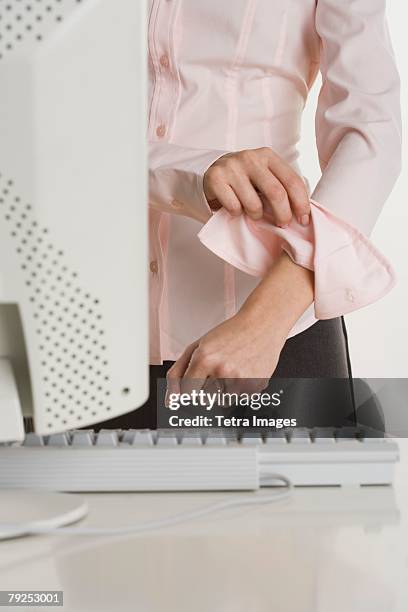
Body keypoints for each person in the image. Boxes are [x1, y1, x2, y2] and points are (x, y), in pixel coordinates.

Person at [98, 0, 401, 431]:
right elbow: (35, 130)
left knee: (311, 499)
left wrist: (266, 320)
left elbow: (370, 135)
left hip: (275, 329)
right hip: (83, 336)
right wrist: (190, 172)